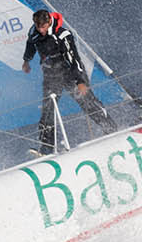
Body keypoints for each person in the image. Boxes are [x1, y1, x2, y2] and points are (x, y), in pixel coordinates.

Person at [21, 9, 116, 154]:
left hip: (71, 73)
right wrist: (26, 61)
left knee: (87, 102)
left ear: (49, 22)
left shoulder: (63, 35)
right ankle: (47, 148)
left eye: (43, 27)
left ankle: (110, 129)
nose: (41, 31)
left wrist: (80, 81)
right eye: (38, 27)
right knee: (48, 110)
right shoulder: (34, 32)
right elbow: (30, 44)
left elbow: (74, 59)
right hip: (52, 76)